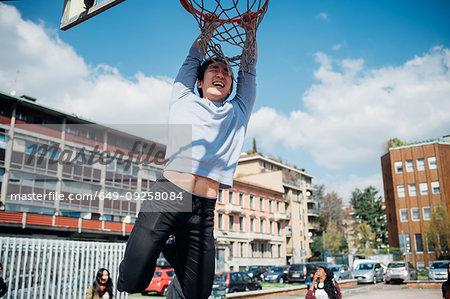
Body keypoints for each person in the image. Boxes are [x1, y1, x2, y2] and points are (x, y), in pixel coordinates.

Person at [117, 12, 258, 299]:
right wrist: (208, 31)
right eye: (214, 69)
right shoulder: (183, 97)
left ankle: (173, 247)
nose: (221, 73)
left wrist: (250, 33)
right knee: (132, 283)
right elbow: (192, 58)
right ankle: (168, 243)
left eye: (226, 72)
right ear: (199, 81)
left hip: (203, 210)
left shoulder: (238, 110)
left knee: (197, 294)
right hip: (169, 196)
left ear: (231, 85)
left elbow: (250, 70)